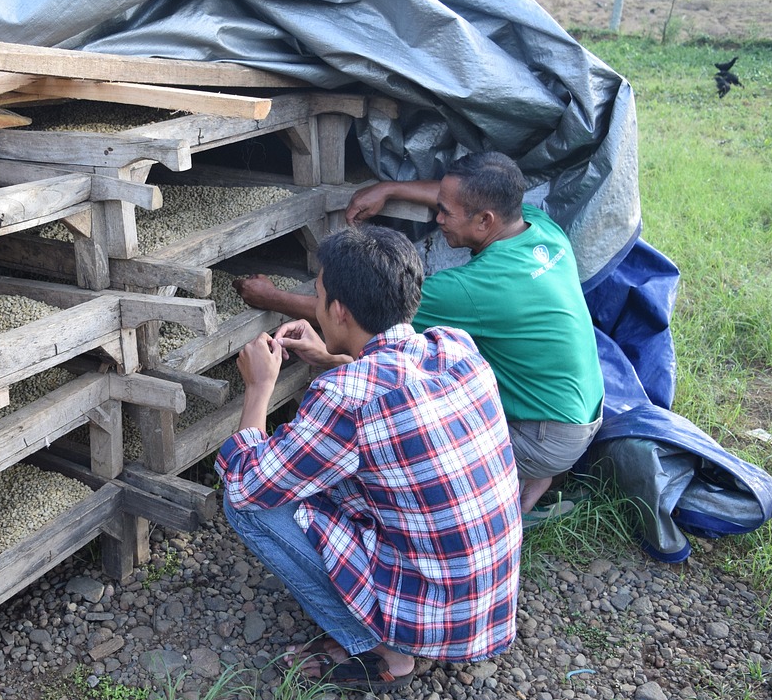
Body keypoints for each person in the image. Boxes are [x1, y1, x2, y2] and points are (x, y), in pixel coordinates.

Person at [217, 225, 522, 691]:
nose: (317, 303)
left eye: (318, 294)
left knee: (246, 504)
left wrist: (259, 387)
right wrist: (331, 357)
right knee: (327, 470)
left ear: (337, 310)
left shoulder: (347, 397)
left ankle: (383, 649)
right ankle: (395, 625)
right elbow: (388, 389)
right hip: (484, 606)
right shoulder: (453, 347)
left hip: (430, 619)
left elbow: (246, 483)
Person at [234, 152, 604, 516]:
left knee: (393, 454)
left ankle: (524, 472)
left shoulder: (470, 290)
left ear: (484, 219)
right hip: (581, 414)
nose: (437, 217)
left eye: (446, 211)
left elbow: (361, 308)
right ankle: (534, 475)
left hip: (545, 437)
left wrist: (272, 298)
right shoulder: (539, 228)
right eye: (438, 206)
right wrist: (391, 188)